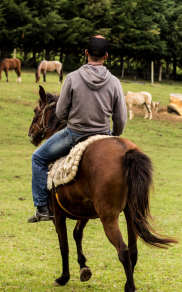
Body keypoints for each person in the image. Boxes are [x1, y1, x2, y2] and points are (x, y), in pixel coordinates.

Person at [28, 35, 127, 223]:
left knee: (38, 158)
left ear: (86, 53)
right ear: (106, 56)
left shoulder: (72, 78)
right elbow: (120, 119)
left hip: (74, 134)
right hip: (103, 136)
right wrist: (113, 135)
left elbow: (61, 112)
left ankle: (42, 208)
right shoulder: (114, 82)